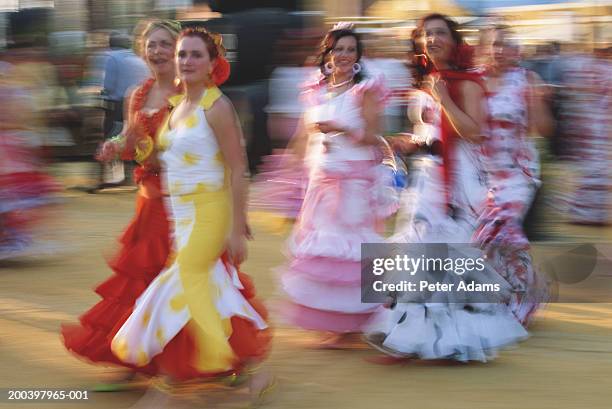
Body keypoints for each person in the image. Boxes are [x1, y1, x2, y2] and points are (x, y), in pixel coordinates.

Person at [109, 27, 272, 402]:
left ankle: (168, 383)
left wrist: (235, 227)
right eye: (183, 54)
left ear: (213, 62)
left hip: (210, 211)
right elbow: (158, 157)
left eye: (196, 55)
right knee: (210, 290)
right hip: (179, 214)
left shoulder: (217, 107)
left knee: (181, 282)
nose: (186, 61)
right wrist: (129, 144)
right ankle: (253, 373)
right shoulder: (177, 106)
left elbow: (238, 169)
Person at [365, 15, 527, 363]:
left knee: (448, 256)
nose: (432, 39)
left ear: (455, 42)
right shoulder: (427, 81)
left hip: (456, 182)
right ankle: (410, 335)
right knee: (417, 252)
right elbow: (429, 132)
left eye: (440, 33)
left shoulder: (466, 82)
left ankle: (452, 339)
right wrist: (406, 142)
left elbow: (473, 131)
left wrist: (444, 99)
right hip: (425, 178)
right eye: (427, 34)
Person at [61, 20, 182, 388]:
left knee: (174, 278)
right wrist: (115, 145)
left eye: (165, 44)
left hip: (184, 201)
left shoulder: (192, 91)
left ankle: (189, 357)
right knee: (142, 278)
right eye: (151, 45)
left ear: (178, 49)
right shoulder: (138, 93)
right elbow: (131, 141)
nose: (157, 52)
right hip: (148, 199)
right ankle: (134, 356)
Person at [279, 22, 395, 349]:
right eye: (338, 49)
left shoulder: (366, 89)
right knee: (328, 256)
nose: (344, 55)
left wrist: (341, 129)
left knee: (354, 251)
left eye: (350, 50)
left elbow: (375, 137)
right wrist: (290, 164)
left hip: (354, 180)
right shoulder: (316, 88)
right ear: (328, 53)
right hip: (321, 178)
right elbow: (304, 134)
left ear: (359, 56)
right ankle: (337, 323)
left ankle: (363, 319)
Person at [474, 26, 553, 326]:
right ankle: (522, 289)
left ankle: (526, 298)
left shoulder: (525, 79)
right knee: (485, 239)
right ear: (483, 48)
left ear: (514, 49)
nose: (499, 50)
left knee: (503, 229)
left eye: (505, 45)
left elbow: (544, 129)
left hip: (518, 173)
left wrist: (539, 101)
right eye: (494, 44)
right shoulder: (474, 80)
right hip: (482, 173)